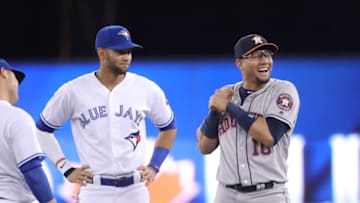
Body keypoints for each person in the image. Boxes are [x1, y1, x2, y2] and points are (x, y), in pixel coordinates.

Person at [35, 25, 177, 203]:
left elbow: (168, 127)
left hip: (135, 190)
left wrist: (155, 166)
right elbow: (42, 129)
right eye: (119, 51)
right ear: (101, 53)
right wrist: (66, 168)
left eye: (129, 51)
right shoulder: (73, 90)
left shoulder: (146, 88)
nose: (126, 57)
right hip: (95, 190)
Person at [196, 34, 300, 203]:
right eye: (257, 56)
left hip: (267, 193)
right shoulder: (228, 92)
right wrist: (215, 111)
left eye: (267, 54)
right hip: (226, 193)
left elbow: (269, 136)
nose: (265, 60)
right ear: (240, 63)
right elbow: (204, 147)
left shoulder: (283, 90)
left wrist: (229, 107)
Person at [0, 58, 56, 203]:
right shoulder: (15, 117)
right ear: (3, 73)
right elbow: (31, 169)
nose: (18, 84)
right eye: (15, 77)